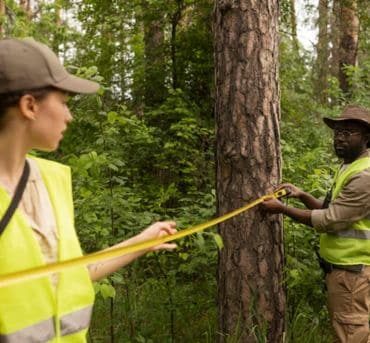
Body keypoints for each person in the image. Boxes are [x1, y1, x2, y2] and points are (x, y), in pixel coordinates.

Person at [0, 37, 177, 342]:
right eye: (65, 103)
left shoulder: (53, 180)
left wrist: (141, 242)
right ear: (29, 105)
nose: (69, 116)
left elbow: (67, 275)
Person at [262, 105, 370, 343]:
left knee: (352, 335)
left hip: (353, 273)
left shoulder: (365, 175)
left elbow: (330, 220)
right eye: (337, 131)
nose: (340, 137)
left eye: (348, 132)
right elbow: (331, 208)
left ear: (366, 138)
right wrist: (301, 195)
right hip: (345, 272)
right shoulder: (350, 166)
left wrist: (281, 209)